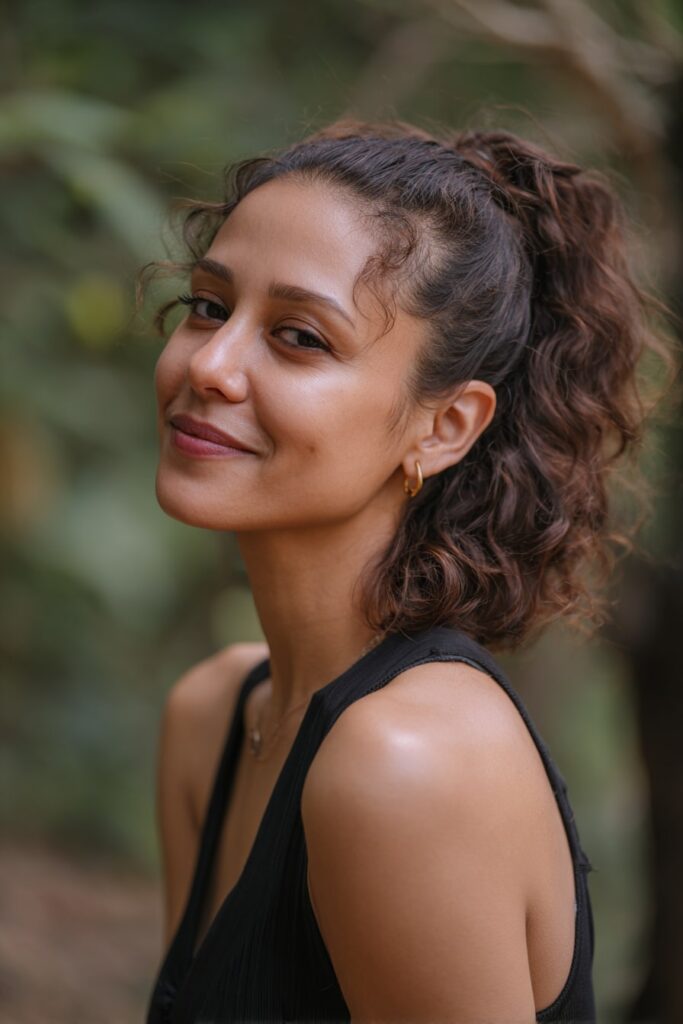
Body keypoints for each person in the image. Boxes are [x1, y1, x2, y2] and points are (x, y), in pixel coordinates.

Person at [143, 117, 665, 1024]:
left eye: (300, 337)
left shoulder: (406, 766)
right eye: (209, 306)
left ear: (444, 426)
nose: (212, 366)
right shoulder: (215, 717)